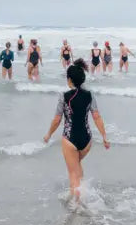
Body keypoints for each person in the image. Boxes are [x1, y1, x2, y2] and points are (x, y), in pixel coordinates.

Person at [43, 58, 110, 203]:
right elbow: (96, 116)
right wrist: (104, 136)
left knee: (72, 173)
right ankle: (81, 193)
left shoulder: (64, 96)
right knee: (77, 167)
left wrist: (48, 134)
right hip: (87, 140)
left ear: (69, 80)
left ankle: (77, 207)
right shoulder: (89, 95)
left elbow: (57, 119)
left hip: (70, 139)